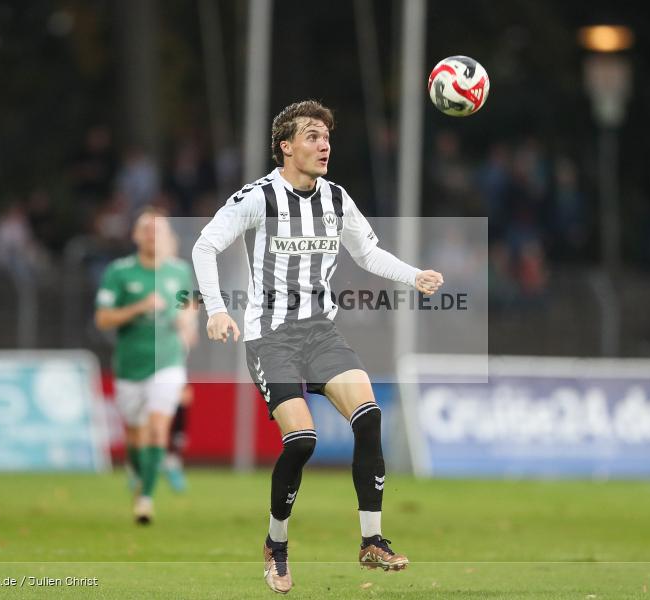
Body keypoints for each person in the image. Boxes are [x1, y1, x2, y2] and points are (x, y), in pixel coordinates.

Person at [191, 100, 443, 594]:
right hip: (271, 338)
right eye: (311, 135)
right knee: (302, 441)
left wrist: (415, 276)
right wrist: (216, 309)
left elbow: (367, 252)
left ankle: (372, 540)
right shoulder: (258, 197)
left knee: (369, 416)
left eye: (326, 135)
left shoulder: (336, 198)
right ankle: (276, 544)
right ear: (285, 146)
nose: (323, 143)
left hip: (321, 333)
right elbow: (204, 245)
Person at [95, 207, 197, 524]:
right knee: (136, 438)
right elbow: (102, 319)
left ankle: (145, 500)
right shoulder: (119, 272)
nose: (154, 236)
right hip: (129, 365)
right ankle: (140, 475)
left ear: (169, 238)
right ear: (136, 236)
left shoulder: (179, 272)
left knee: (157, 429)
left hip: (167, 363)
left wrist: (187, 323)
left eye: (160, 231)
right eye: (148, 230)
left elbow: (189, 309)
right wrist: (140, 306)